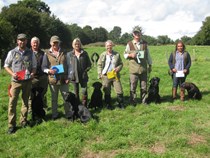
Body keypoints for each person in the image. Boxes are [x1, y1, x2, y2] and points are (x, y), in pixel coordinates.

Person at [4, 33, 37, 134]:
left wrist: (32, 73)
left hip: (27, 81)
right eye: (20, 40)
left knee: (25, 102)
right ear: (17, 41)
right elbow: (6, 65)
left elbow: (34, 66)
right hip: (15, 82)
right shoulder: (12, 52)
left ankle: (23, 121)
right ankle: (11, 125)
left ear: (26, 41)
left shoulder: (31, 53)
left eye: (24, 40)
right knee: (12, 103)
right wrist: (12, 73)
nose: (22, 42)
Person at [42, 35, 72, 120]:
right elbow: (43, 67)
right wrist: (49, 71)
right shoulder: (47, 53)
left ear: (59, 43)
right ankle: (54, 115)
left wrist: (69, 77)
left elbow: (70, 66)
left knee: (66, 98)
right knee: (54, 99)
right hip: (53, 79)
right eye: (54, 42)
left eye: (57, 42)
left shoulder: (65, 52)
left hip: (64, 79)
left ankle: (68, 114)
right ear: (51, 43)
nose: (55, 44)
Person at [124, 26, 152, 105]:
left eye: (138, 33)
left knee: (144, 86)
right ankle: (132, 101)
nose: (137, 34)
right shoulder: (129, 44)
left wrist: (150, 65)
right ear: (133, 34)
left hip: (143, 69)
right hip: (133, 70)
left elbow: (148, 55)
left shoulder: (145, 44)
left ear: (140, 34)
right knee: (133, 87)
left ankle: (144, 101)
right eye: (135, 33)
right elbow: (125, 54)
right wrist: (130, 55)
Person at [98, 40, 124, 109]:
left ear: (112, 46)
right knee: (107, 90)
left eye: (110, 45)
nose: (109, 47)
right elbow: (99, 65)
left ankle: (120, 104)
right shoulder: (102, 55)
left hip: (115, 75)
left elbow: (121, 64)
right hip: (106, 75)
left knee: (119, 90)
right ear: (105, 46)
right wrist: (100, 73)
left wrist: (118, 68)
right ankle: (108, 104)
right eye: (107, 46)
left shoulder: (117, 54)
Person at [28, 37, 48, 122]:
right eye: (34, 43)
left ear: (39, 44)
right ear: (31, 44)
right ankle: (30, 110)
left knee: (42, 94)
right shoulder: (27, 53)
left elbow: (45, 66)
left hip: (42, 77)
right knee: (31, 95)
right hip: (32, 78)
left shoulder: (43, 53)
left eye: (37, 43)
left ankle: (42, 109)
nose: (35, 44)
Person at [68, 38, 91, 107]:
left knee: (84, 92)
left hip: (83, 76)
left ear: (80, 45)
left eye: (78, 44)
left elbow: (89, 64)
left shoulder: (84, 53)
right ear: (73, 45)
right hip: (74, 76)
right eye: (75, 44)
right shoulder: (69, 54)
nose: (77, 45)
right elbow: (66, 65)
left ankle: (84, 107)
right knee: (76, 93)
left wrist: (86, 71)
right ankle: (77, 107)